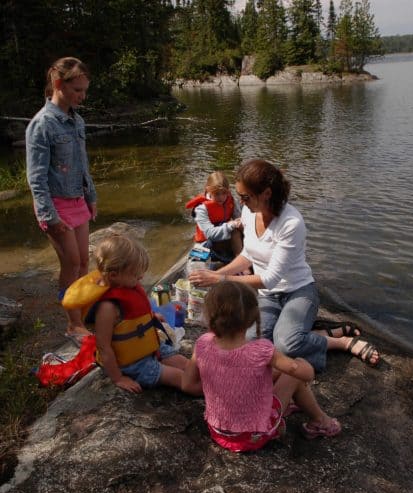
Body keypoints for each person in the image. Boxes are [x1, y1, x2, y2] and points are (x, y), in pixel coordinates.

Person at [188, 159, 380, 372]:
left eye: (245, 197)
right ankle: (309, 332)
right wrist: (212, 274)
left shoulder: (291, 223)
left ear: (266, 194)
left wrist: (219, 279)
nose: (240, 202)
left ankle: (341, 342)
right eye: (239, 196)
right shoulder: (249, 213)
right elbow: (248, 255)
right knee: (250, 343)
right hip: (268, 296)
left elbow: (270, 279)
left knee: (286, 345)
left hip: (298, 291)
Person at [181, 281, 342, 452]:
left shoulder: (203, 344)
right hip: (252, 435)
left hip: (218, 432)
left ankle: (285, 408)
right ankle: (320, 421)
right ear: (252, 317)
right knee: (293, 374)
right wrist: (304, 364)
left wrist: (223, 387)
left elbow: (187, 385)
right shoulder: (261, 350)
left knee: (270, 372)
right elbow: (306, 375)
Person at [64, 234, 200, 394]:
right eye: (136, 275)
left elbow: (133, 317)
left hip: (150, 348)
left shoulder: (128, 287)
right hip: (133, 364)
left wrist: (151, 317)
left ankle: (217, 380)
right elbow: (103, 347)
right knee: (181, 379)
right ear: (114, 275)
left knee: (187, 365)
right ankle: (218, 395)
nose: (141, 277)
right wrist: (118, 378)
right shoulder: (108, 308)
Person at [25, 57, 97, 342]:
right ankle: (73, 324)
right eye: (77, 90)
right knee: (71, 263)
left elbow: (83, 164)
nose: (82, 96)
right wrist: (49, 216)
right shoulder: (42, 125)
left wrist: (91, 196)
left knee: (84, 262)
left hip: (78, 199)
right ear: (58, 84)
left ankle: (84, 311)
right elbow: (36, 178)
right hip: (55, 205)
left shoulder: (77, 121)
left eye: (84, 90)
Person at [185, 171, 243, 261]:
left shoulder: (231, 200)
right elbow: (210, 234)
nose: (221, 197)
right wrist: (231, 225)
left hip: (224, 236)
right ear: (208, 190)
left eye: (224, 193)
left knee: (237, 231)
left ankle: (239, 259)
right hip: (206, 242)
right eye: (217, 194)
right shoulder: (201, 209)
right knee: (195, 263)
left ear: (228, 191)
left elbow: (239, 219)